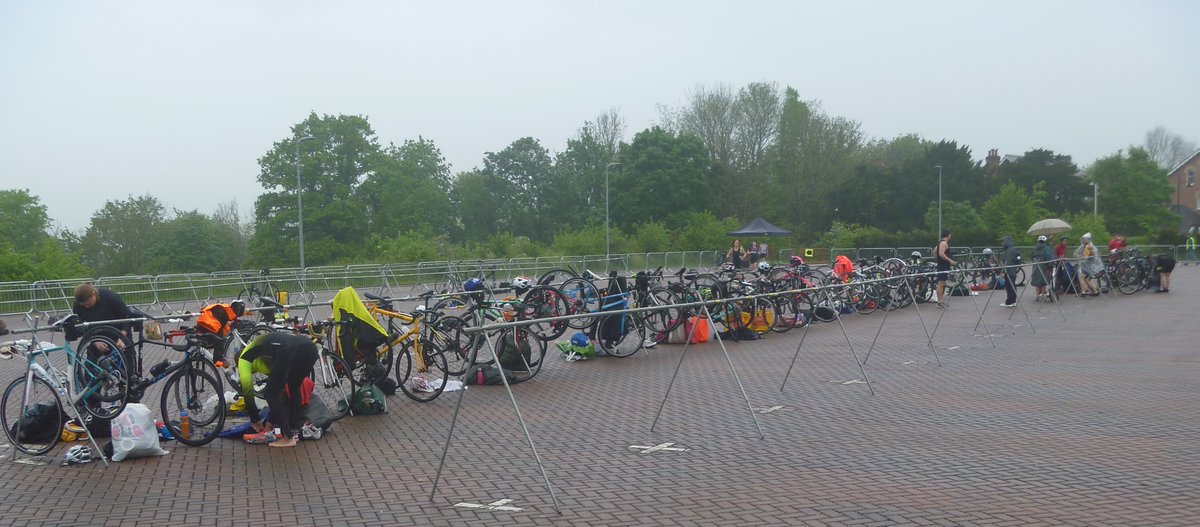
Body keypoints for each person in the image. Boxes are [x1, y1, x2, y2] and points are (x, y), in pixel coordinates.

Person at [236, 331, 319, 448]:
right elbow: (281, 391)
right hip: (310, 347)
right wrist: (272, 420)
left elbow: (248, 392)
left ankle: (287, 438)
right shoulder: (265, 356)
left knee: (270, 394)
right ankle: (294, 430)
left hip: (291, 348)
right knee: (294, 387)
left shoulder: (243, 359)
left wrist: (255, 419)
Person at [935, 230, 957, 307]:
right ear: (949, 235)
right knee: (941, 284)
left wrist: (937, 258)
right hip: (943, 266)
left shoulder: (940, 242)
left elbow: (935, 251)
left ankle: (940, 301)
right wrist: (950, 260)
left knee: (942, 283)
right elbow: (941, 254)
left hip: (942, 265)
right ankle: (939, 301)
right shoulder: (944, 243)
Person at [1030, 235, 1055, 302]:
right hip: (1044, 266)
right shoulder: (1046, 248)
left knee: (1037, 282)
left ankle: (1037, 295)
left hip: (1036, 266)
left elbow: (1031, 257)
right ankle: (1042, 295)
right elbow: (1049, 257)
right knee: (1043, 281)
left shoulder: (1034, 249)